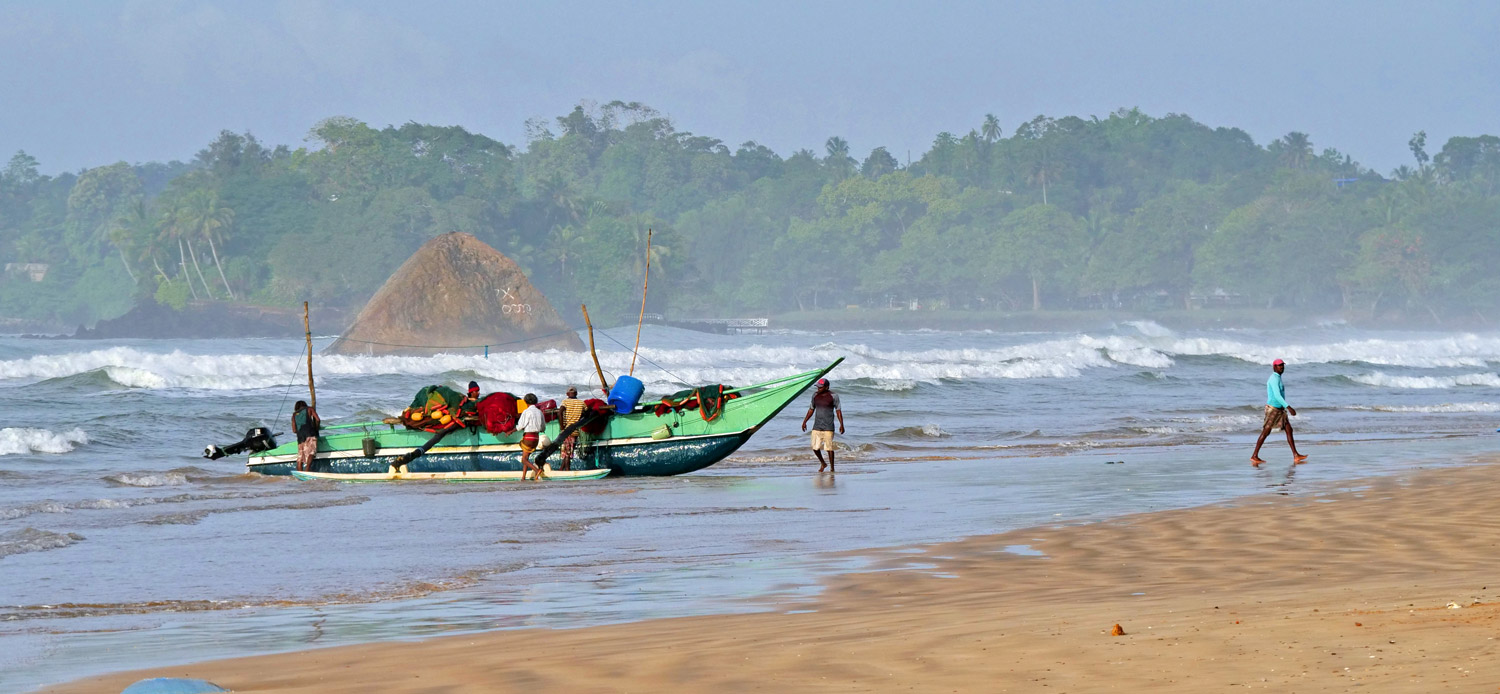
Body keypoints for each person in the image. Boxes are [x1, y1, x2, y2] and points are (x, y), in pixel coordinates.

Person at [1251, 359, 1308, 466]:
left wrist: (1284, 407)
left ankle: (1296, 455)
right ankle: (1254, 455)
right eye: (1279, 366)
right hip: (1273, 409)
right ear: (1274, 367)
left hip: (1280, 409)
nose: (1281, 367)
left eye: (1282, 365)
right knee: (1266, 431)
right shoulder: (1273, 379)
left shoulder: (1278, 378)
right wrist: (1289, 407)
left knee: (1289, 430)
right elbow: (1277, 396)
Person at [800, 378, 844, 472]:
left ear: (827, 387)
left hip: (828, 427)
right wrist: (804, 422)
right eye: (817, 387)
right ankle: (823, 463)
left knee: (829, 448)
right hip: (817, 426)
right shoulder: (815, 395)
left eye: (820, 387)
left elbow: (838, 411)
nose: (818, 389)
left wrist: (841, 424)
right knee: (815, 448)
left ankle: (832, 468)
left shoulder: (834, 396)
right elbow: (811, 409)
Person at [517, 393, 547, 480]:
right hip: (536, 438)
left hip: (528, 437)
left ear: (525, 402)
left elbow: (520, 426)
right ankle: (523, 477)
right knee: (526, 458)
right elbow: (543, 427)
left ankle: (537, 470)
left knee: (524, 460)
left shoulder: (526, 412)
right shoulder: (539, 412)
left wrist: (511, 431)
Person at [557, 387, 588, 471]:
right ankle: (561, 470)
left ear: (567, 394)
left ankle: (567, 471)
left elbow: (560, 412)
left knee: (567, 453)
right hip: (575, 431)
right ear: (576, 394)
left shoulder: (565, 402)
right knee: (569, 452)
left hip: (567, 431)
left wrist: (562, 427)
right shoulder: (582, 403)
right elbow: (586, 413)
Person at [291, 400, 321, 472]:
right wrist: (316, 428)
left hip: (300, 437)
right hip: (310, 433)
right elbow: (318, 419)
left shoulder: (294, 415)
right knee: (311, 452)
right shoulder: (309, 409)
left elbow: (294, 430)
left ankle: (300, 473)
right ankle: (307, 469)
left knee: (301, 456)